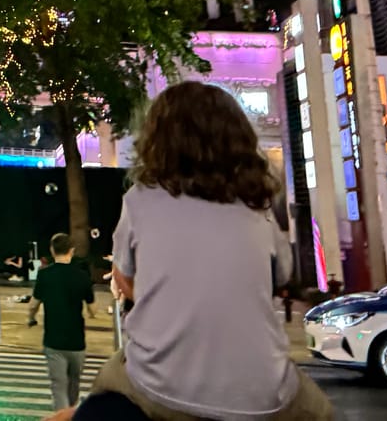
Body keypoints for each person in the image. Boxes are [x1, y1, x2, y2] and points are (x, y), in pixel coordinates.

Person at [89, 81, 332, 421]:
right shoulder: (257, 209)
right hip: (263, 397)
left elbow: (124, 278)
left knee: (105, 383)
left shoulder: (140, 199)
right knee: (321, 411)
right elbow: (282, 276)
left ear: (156, 141)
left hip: (159, 388)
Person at [30, 232, 96, 410]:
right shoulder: (82, 276)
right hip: (77, 342)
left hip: (54, 341)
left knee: (58, 387)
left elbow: (33, 304)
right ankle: (71, 413)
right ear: (72, 251)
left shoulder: (44, 275)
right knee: (74, 385)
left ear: (52, 250)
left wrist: (31, 317)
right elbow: (92, 308)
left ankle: (64, 415)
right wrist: (92, 313)